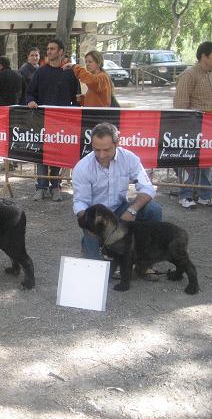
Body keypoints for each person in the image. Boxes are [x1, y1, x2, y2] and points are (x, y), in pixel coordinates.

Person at [73, 123, 162, 260]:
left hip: (120, 210)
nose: (101, 155)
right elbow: (80, 202)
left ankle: (145, 259)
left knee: (153, 210)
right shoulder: (82, 167)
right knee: (99, 271)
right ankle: (89, 244)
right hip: (96, 217)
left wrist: (132, 210)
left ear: (117, 143)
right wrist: (89, 224)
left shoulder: (129, 158)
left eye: (106, 150)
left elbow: (147, 188)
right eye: (97, 150)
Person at [25, 37, 80, 202]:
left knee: (57, 154)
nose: (48, 51)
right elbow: (29, 92)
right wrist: (30, 101)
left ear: (61, 52)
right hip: (41, 121)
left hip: (62, 122)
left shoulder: (70, 73)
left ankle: (55, 186)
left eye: (52, 49)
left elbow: (76, 99)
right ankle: (41, 187)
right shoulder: (40, 72)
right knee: (41, 154)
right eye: (47, 49)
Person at [173, 41, 212, 208]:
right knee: (188, 162)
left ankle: (204, 194)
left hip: (207, 129)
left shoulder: (209, 74)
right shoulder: (189, 75)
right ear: (204, 56)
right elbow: (180, 105)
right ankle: (185, 195)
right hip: (191, 128)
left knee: (206, 161)